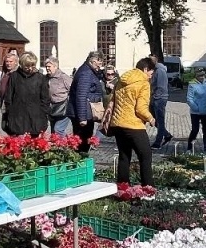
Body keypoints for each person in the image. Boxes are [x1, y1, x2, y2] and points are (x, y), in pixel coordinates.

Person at [107, 57, 156, 186]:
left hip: (117, 123)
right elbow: (140, 108)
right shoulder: (143, 83)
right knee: (145, 156)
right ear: (145, 69)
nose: (151, 77)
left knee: (124, 156)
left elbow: (111, 99)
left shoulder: (121, 80)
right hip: (133, 125)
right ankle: (148, 188)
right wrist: (150, 118)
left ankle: (123, 188)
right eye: (151, 73)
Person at [1, 51, 51, 135]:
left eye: (33, 65)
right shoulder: (14, 76)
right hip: (17, 116)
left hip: (36, 117)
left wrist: (43, 113)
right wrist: (9, 113)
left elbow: (45, 99)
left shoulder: (40, 78)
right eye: (27, 66)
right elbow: (8, 97)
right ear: (22, 65)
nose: (30, 68)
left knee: (34, 144)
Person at [69, 51, 105, 154]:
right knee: (83, 143)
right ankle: (80, 166)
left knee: (83, 142)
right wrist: (82, 118)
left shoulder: (87, 70)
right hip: (84, 114)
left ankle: (81, 163)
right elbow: (81, 95)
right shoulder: (86, 73)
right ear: (93, 61)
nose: (100, 66)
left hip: (86, 112)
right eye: (100, 63)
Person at [148, 54, 173, 149]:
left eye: (152, 60)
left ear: (156, 61)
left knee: (160, 120)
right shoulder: (153, 70)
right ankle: (166, 135)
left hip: (159, 99)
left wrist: (154, 96)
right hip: (154, 98)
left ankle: (158, 142)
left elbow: (161, 87)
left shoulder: (160, 71)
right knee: (153, 119)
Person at [44, 56, 73, 136]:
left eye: (49, 66)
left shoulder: (63, 77)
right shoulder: (46, 78)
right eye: (46, 66)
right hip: (52, 108)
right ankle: (57, 147)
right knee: (53, 132)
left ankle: (65, 146)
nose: (47, 68)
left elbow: (73, 89)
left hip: (63, 108)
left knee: (58, 130)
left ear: (55, 66)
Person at [185, 70, 206, 152]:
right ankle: (189, 147)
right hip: (196, 112)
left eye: (203, 75)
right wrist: (196, 108)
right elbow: (189, 99)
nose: (202, 77)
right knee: (195, 129)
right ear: (196, 76)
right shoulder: (192, 84)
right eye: (200, 75)